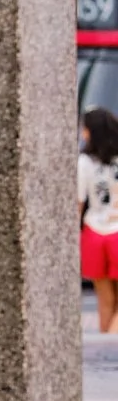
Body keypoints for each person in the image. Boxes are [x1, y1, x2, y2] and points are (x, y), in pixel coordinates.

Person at [83, 107, 118, 332]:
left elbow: (78, 202)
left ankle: (106, 344)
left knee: (104, 301)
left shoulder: (84, 162)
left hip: (93, 232)